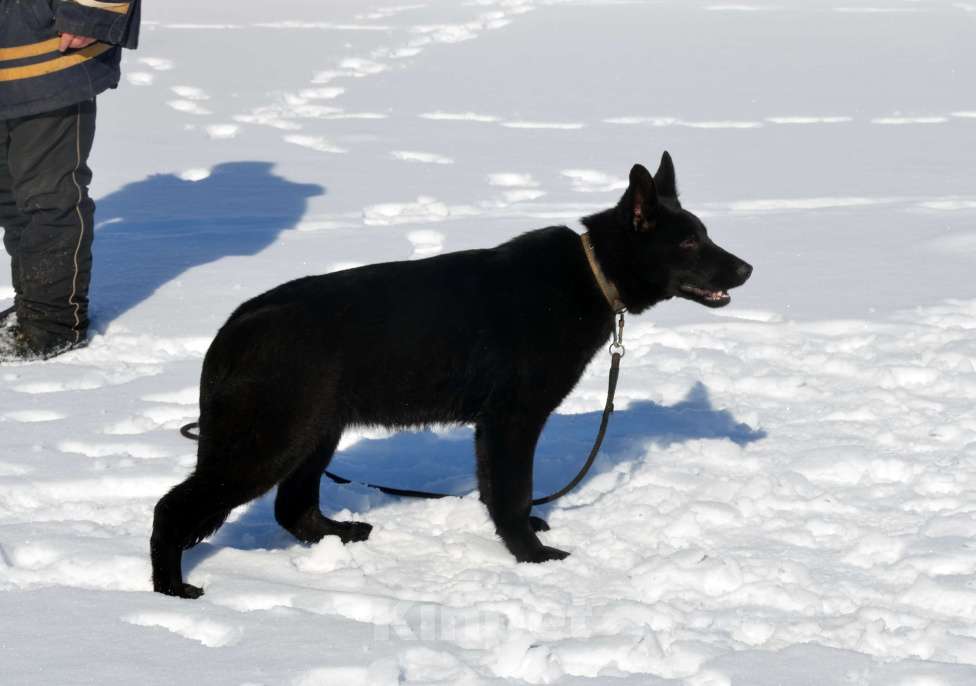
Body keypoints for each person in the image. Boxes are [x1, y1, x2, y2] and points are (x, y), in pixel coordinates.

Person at [0, 0, 141, 360]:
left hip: (50, 50)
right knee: (9, 194)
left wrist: (89, 15)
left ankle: (52, 326)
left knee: (47, 195)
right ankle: (31, 307)